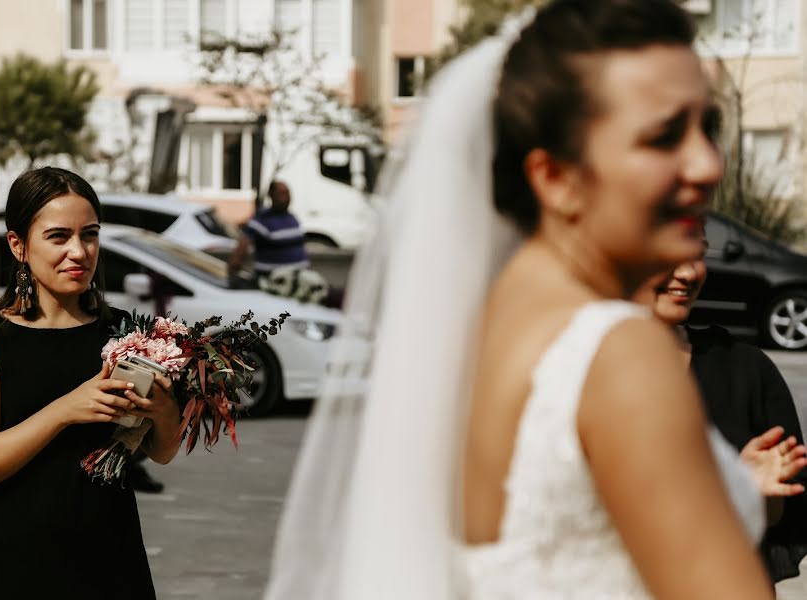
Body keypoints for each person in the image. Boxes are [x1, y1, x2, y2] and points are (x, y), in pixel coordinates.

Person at [265, 2, 774, 599]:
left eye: (707, 127)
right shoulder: (620, 352)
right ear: (555, 177)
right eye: (664, 136)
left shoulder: (476, 330)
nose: (707, 164)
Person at [0, 167, 180, 599]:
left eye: (89, 234)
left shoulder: (126, 334)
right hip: (21, 566)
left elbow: (162, 452)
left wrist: (165, 407)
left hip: (114, 559)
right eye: (58, 237)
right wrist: (65, 409)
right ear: (19, 245)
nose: (79, 251)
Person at [636, 250, 807, 584]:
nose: (686, 272)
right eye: (668, 248)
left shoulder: (745, 369)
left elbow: (774, 531)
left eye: (696, 250)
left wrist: (759, 497)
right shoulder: (567, 371)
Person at [228, 180, 309, 277]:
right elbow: (243, 246)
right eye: (281, 193)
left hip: (297, 278)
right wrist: (234, 268)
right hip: (274, 281)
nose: (286, 197)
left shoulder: (291, 217)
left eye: (287, 193)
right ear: (271, 195)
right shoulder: (262, 219)